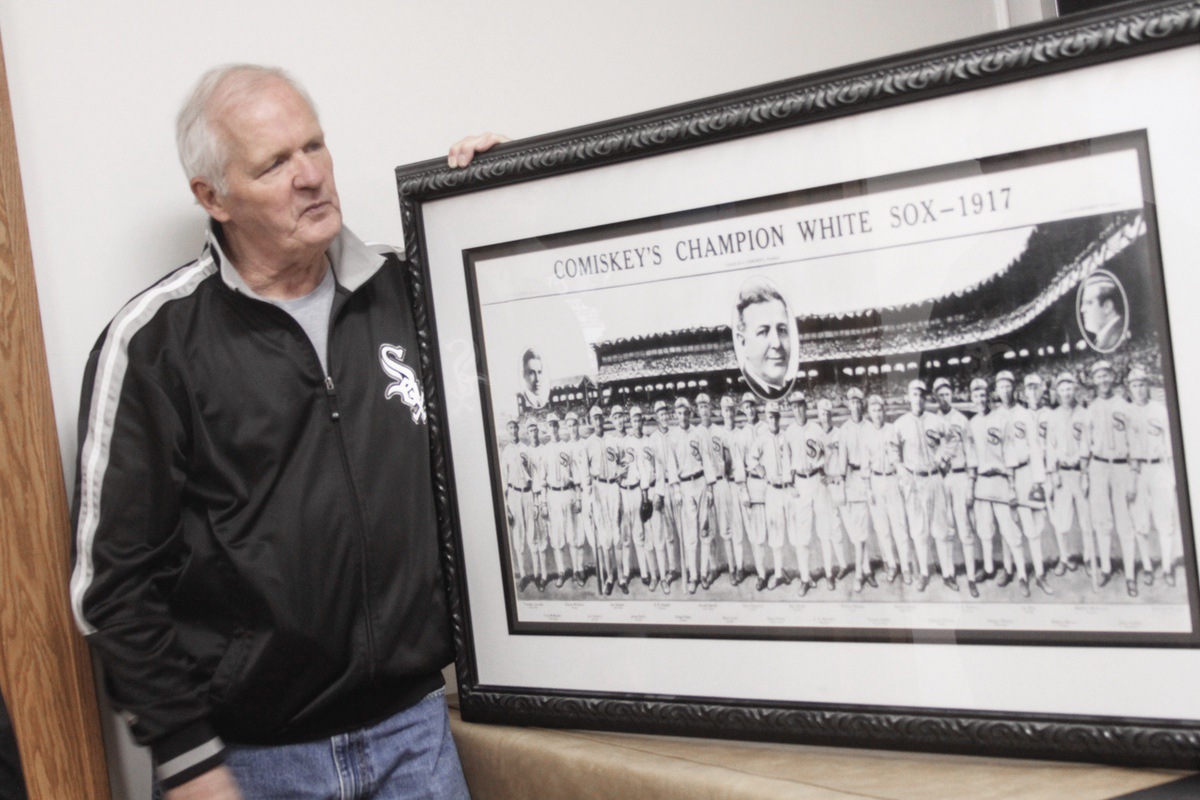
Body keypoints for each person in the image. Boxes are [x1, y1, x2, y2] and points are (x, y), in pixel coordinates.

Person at [69, 64, 505, 799]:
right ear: (212, 197)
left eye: (315, 145)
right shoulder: (153, 345)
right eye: (275, 162)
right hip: (251, 762)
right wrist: (186, 757)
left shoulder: (410, 291)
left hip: (415, 733)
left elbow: (540, 383)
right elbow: (113, 586)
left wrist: (500, 206)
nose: (311, 176)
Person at [1127, 366, 1180, 586]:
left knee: (1164, 521)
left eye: (1141, 384)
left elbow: (1170, 442)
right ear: (1129, 388)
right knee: (1140, 522)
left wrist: (1173, 474)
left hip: (1159, 468)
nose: (1138, 389)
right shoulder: (1126, 412)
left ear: (1147, 385)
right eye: (1134, 385)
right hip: (1137, 471)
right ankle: (1148, 567)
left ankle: (1167, 567)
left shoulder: (1159, 409)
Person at [1044, 372, 1092, 576]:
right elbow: (1050, 447)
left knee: (1086, 520)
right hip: (1062, 473)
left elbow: (1087, 444)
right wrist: (1053, 472)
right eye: (1062, 389)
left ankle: (1089, 558)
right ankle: (1064, 558)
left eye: (1069, 388)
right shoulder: (1053, 416)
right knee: (1060, 520)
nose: (1066, 393)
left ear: (1075, 390)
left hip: (1079, 471)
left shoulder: (1084, 413)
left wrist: (1084, 473)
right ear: (1057, 391)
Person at [733, 277, 793, 400]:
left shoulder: (790, 386)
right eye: (763, 332)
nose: (776, 343)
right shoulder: (741, 389)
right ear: (742, 342)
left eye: (782, 330)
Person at [1078, 271, 1127, 352]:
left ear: (1107, 307)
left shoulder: (1117, 337)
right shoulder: (1104, 338)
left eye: (1089, 303)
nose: (1082, 309)